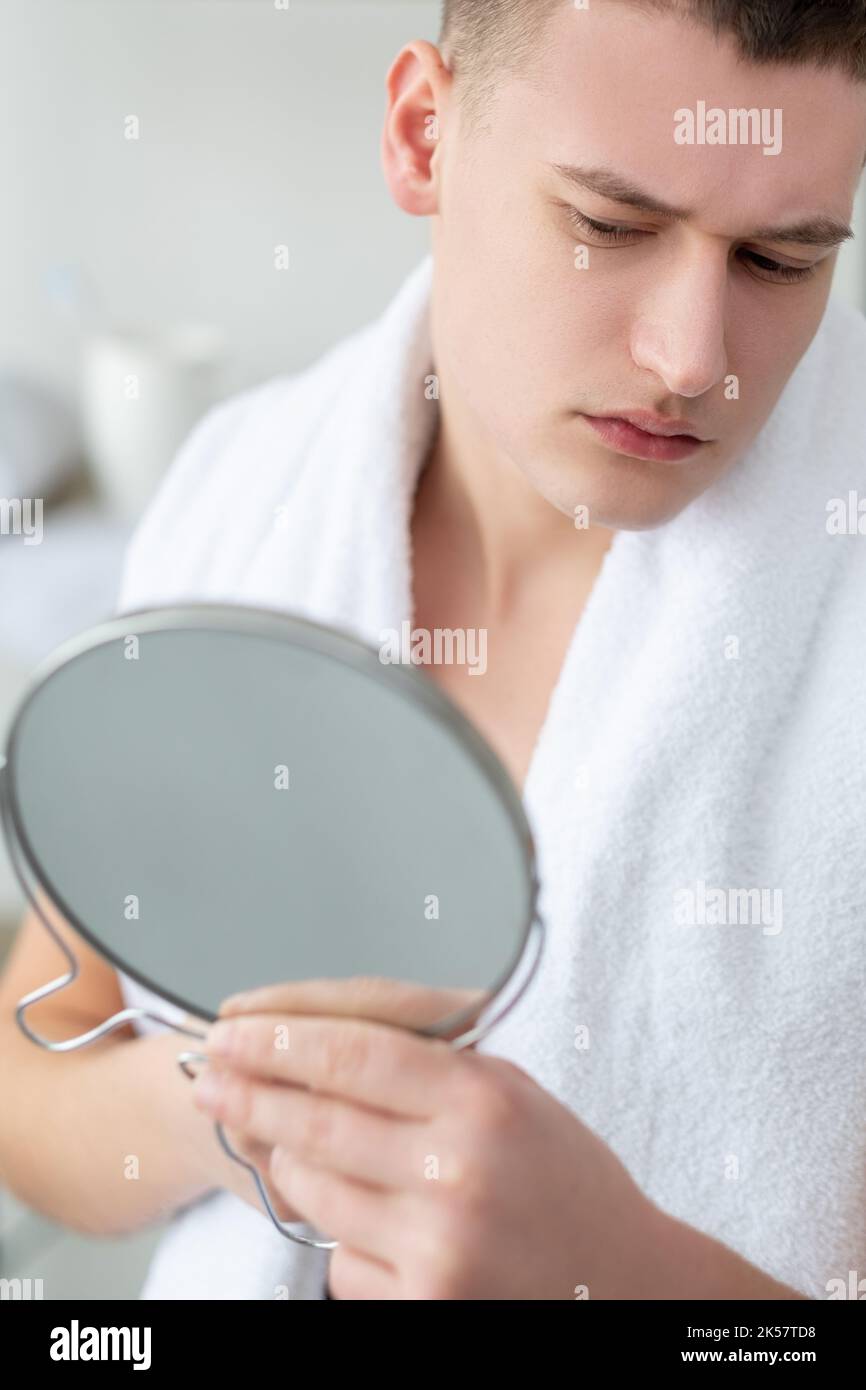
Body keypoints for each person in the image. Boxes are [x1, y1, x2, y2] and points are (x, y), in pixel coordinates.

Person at [2, 0, 865, 1300]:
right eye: (608, 226)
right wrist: (264, 1118)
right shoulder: (246, 495)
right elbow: (36, 1076)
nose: (691, 361)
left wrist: (620, 1272)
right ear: (421, 134)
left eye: (780, 260)